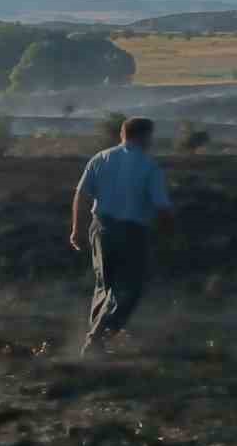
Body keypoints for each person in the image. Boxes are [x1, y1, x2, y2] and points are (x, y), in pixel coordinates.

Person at [70, 117, 174, 357]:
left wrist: (77, 229)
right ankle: (99, 338)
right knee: (130, 288)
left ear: (122, 134)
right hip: (132, 232)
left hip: (101, 228)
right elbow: (162, 206)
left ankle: (97, 340)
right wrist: (170, 234)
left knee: (104, 286)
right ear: (144, 136)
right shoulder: (149, 167)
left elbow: (82, 195)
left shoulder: (100, 158)